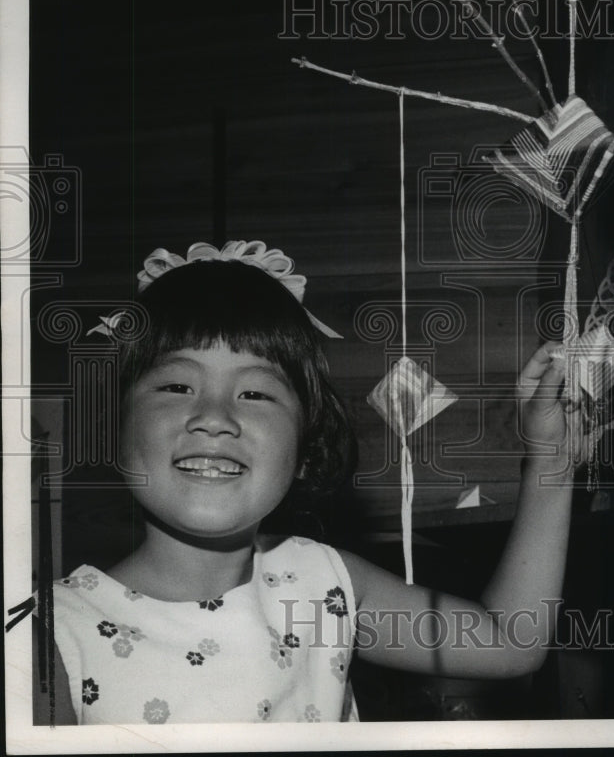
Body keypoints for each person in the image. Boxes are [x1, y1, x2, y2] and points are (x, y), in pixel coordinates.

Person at [33, 241, 581, 725]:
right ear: (114, 430)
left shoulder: (325, 586)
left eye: (255, 393)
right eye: (176, 385)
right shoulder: (53, 636)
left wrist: (551, 455)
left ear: (303, 451)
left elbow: (514, 641)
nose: (215, 416)